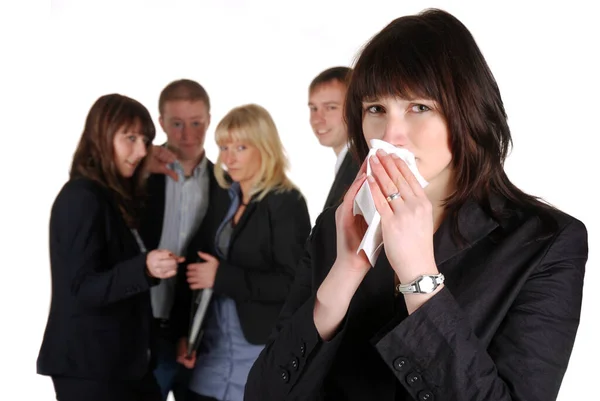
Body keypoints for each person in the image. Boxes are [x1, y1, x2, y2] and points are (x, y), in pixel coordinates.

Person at [245, 8, 588, 401]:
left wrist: (420, 280)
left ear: (468, 111)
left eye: (419, 107)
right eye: (376, 109)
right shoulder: (336, 227)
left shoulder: (545, 242)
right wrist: (342, 278)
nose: (391, 134)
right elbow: (262, 393)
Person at [36, 93, 183, 401]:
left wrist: (145, 168)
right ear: (102, 138)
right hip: (90, 368)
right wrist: (143, 268)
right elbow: (82, 288)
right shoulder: (81, 198)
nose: (141, 150)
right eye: (130, 138)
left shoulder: (112, 196)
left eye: (144, 140)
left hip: (122, 364)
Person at [172, 104, 312, 401]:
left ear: (265, 147)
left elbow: (294, 284)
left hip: (257, 349)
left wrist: (222, 276)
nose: (228, 157)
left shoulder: (286, 202)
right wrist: (186, 333)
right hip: (211, 347)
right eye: (223, 147)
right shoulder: (224, 198)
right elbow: (198, 263)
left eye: (240, 147)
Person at [138, 78, 216, 401]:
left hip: (196, 334)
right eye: (177, 124)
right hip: (141, 325)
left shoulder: (225, 182)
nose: (187, 134)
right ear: (161, 123)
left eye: (196, 123)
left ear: (209, 120)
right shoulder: (139, 173)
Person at [308, 66, 360, 210]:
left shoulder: (361, 167)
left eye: (331, 107)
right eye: (313, 108)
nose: (317, 119)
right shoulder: (348, 162)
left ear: (356, 108)